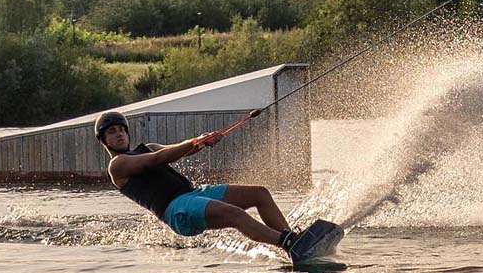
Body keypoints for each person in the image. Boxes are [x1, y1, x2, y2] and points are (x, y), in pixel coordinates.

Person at [94, 111, 331, 262]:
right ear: (104, 140)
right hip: (176, 210)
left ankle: (293, 243)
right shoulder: (118, 165)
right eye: (112, 132)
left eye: (122, 129)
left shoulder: (149, 147)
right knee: (234, 214)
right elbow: (159, 160)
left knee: (259, 194)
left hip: (193, 194)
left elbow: (176, 149)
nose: (119, 135)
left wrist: (204, 139)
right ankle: (287, 243)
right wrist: (194, 142)